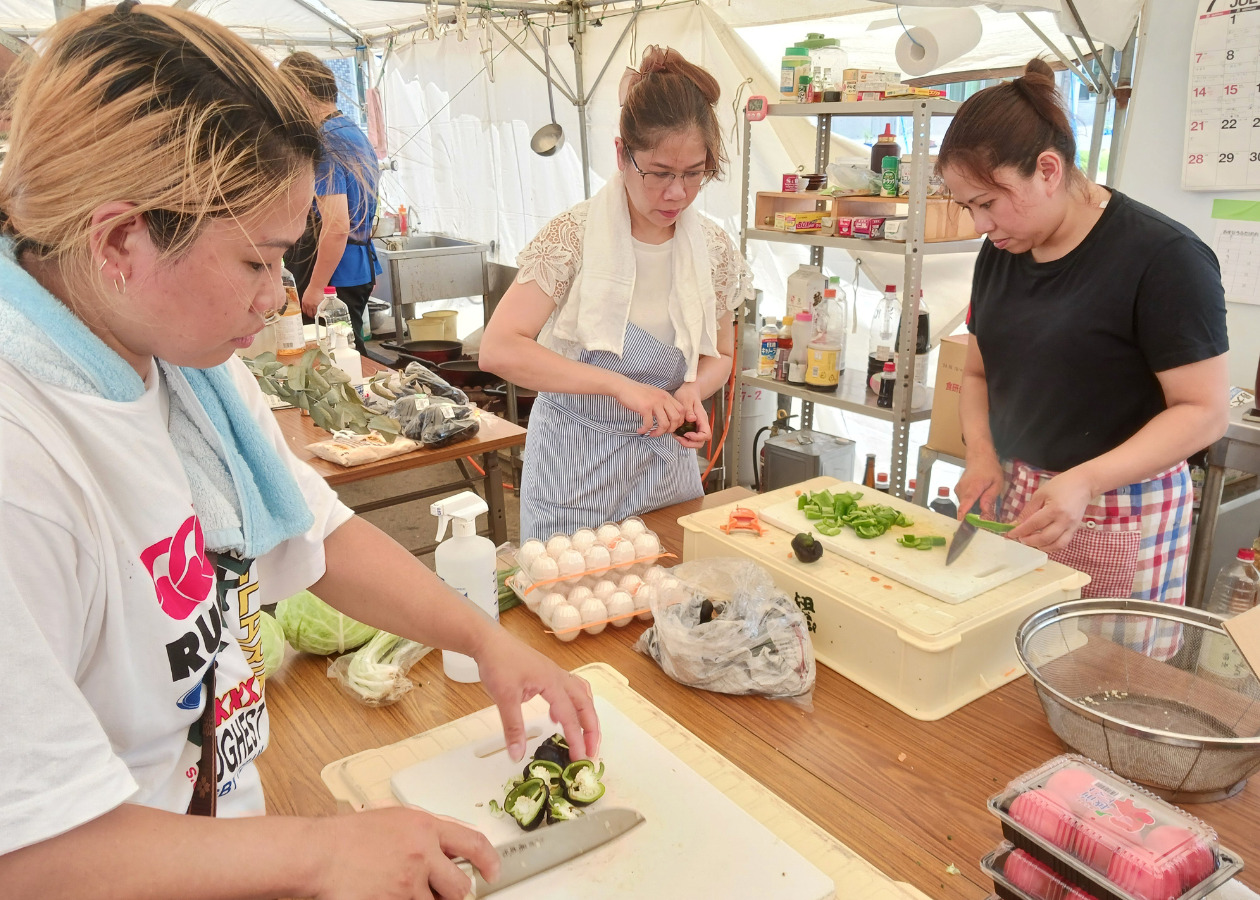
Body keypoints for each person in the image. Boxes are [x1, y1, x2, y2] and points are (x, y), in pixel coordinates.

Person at [0, 6, 597, 898]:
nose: (280, 290)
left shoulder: (177, 361)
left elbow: (317, 533)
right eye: (256, 262)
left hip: (206, 845)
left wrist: (480, 635)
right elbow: (31, 856)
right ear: (122, 238)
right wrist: (321, 853)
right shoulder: (24, 462)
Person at [937, 58, 1230, 613]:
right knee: (1001, 676)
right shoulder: (1000, 253)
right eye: (968, 208)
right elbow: (977, 371)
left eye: (988, 203)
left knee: (1101, 681)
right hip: (1018, 492)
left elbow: (1203, 411)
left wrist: (1086, 480)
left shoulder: (1164, 258)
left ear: (1048, 170)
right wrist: (981, 453)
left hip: (1120, 503)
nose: (980, 225)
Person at [479, 46, 752, 541]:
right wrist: (618, 386)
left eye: (694, 174)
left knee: (671, 608)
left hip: (667, 472)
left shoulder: (712, 248)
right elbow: (499, 349)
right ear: (622, 154)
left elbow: (722, 354)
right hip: (574, 470)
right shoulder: (573, 237)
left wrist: (692, 391)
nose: (677, 194)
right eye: (661, 173)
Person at [278, 50, 381, 354]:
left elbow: (336, 225)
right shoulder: (351, 131)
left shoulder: (324, 141)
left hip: (334, 275)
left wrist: (316, 288)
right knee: (347, 352)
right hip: (356, 267)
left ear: (298, 91)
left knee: (339, 358)